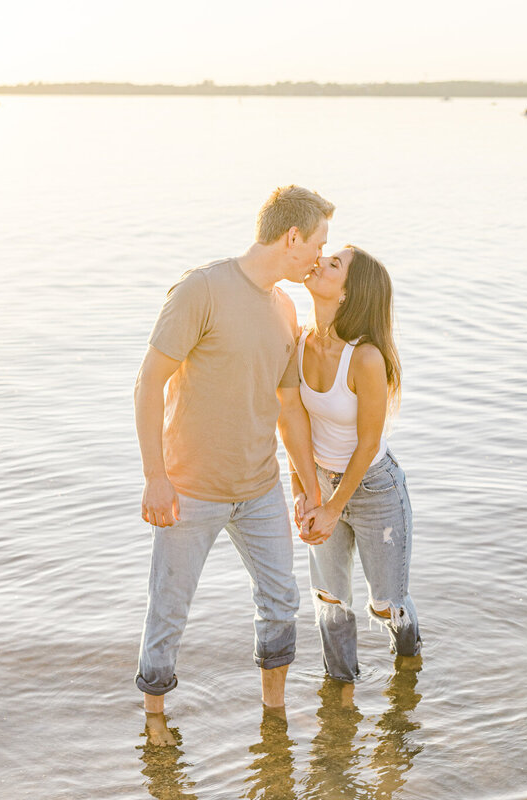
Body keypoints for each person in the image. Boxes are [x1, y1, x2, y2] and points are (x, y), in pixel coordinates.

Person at [134, 185, 332, 745]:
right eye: (318, 243)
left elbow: (289, 408)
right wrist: (155, 476)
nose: (320, 255)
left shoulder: (285, 308)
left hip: (261, 488)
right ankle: (154, 719)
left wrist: (310, 490)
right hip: (190, 489)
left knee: (281, 602)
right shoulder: (203, 289)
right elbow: (149, 382)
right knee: (169, 609)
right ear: (292, 237)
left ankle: (274, 714)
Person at [295, 245, 421, 691]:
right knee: (329, 600)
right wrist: (305, 492)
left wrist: (332, 507)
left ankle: (410, 668)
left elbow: (368, 443)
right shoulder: (300, 342)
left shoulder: (365, 358)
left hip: (374, 490)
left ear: (349, 294)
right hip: (323, 482)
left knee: (388, 604)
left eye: (334, 265)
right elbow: (294, 425)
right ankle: (340, 694)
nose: (320, 261)